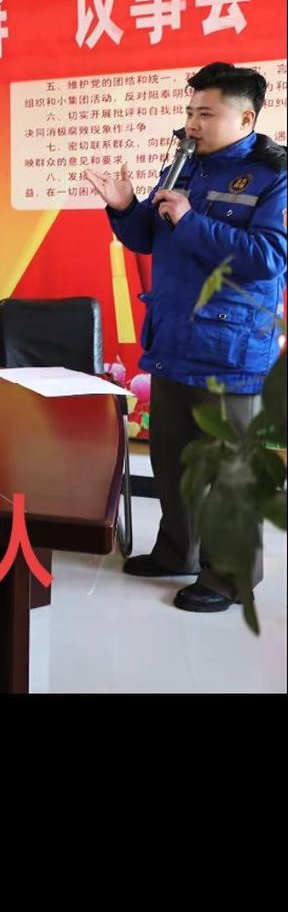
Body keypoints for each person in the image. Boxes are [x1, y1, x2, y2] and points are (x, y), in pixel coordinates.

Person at [84, 60, 288, 613]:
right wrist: (125, 207)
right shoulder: (185, 166)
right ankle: (178, 552)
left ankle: (230, 578)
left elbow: (269, 259)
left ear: (245, 118)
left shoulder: (275, 177)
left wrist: (192, 219)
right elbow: (149, 237)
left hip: (230, 352)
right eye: (191, 111)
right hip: (174, 342)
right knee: (172, 462)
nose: (193, 123)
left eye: (207, 113)